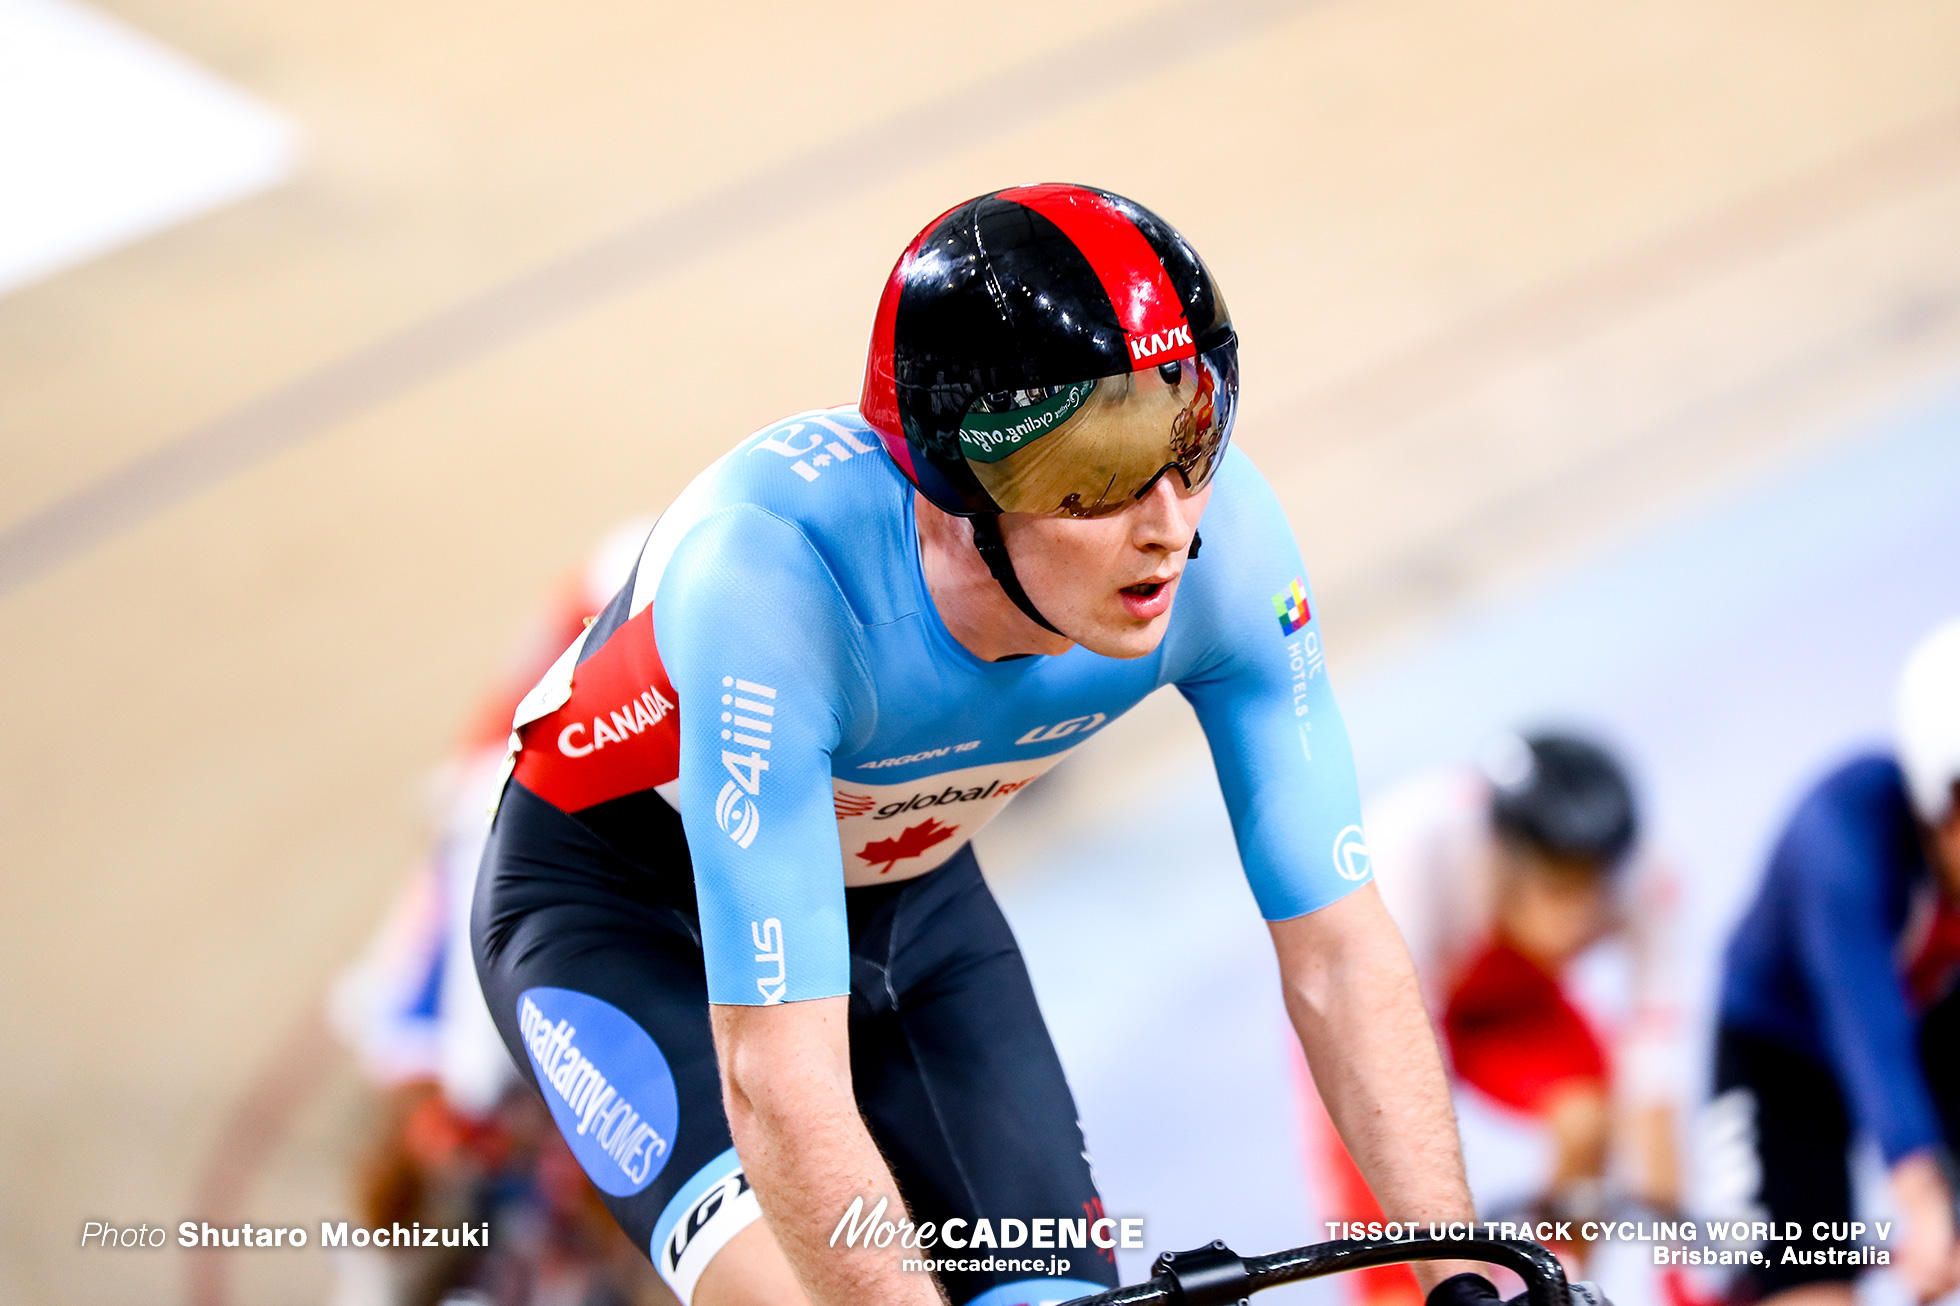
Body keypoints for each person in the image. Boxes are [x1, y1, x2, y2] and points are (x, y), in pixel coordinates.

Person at [470, 184, 1491, 1306]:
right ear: (960, 489)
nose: (1167, 520)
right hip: (622, 916)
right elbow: (776, 1074)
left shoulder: (1225, 549)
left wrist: (1464, 1274)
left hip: (904, 893)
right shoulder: (772, 585)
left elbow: (1339, 949)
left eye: (1187, 431)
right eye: (1093, 472)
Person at [331, 521, 665, 1306]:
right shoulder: (624, 576)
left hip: (530, 878)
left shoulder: (630, 582)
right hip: (503, 869)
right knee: (444, 1121)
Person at [1306, 732, 1683, 1306]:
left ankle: (1553, 1286)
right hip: (1381, 1010)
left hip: (1504, 994)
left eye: (1592, 892)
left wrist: (1677, 1273)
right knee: (1403, 1269)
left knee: (1587, 1117)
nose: (1578, 923)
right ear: (1505, 854)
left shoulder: (1641, 874)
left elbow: (1654, 1090)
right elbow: (1405, 1103)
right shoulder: (1412, 852)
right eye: (1558, 889)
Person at [1710, 618, 1960, 1306]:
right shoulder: (1842, 834)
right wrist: (1923, 1193)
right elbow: (1866, 1023)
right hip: (1781, 1054)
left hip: (1930, 1024)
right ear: (1937, 800)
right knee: (1810, 1293)